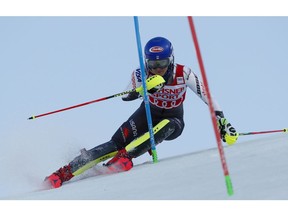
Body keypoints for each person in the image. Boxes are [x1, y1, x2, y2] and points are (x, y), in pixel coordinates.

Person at [45, 36, 239, 188]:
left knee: (167, 125)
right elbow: (127, 95)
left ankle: (126, 158)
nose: (158, 69)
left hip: (173, 120)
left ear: (171, 60)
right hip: (147, 114)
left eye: (162, 64)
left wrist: (221, 119)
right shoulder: (141, 73)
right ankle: (63, 173)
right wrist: (144, 89)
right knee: (115, 143)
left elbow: (207, 95)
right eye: (153, 65)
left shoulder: (184, 73)